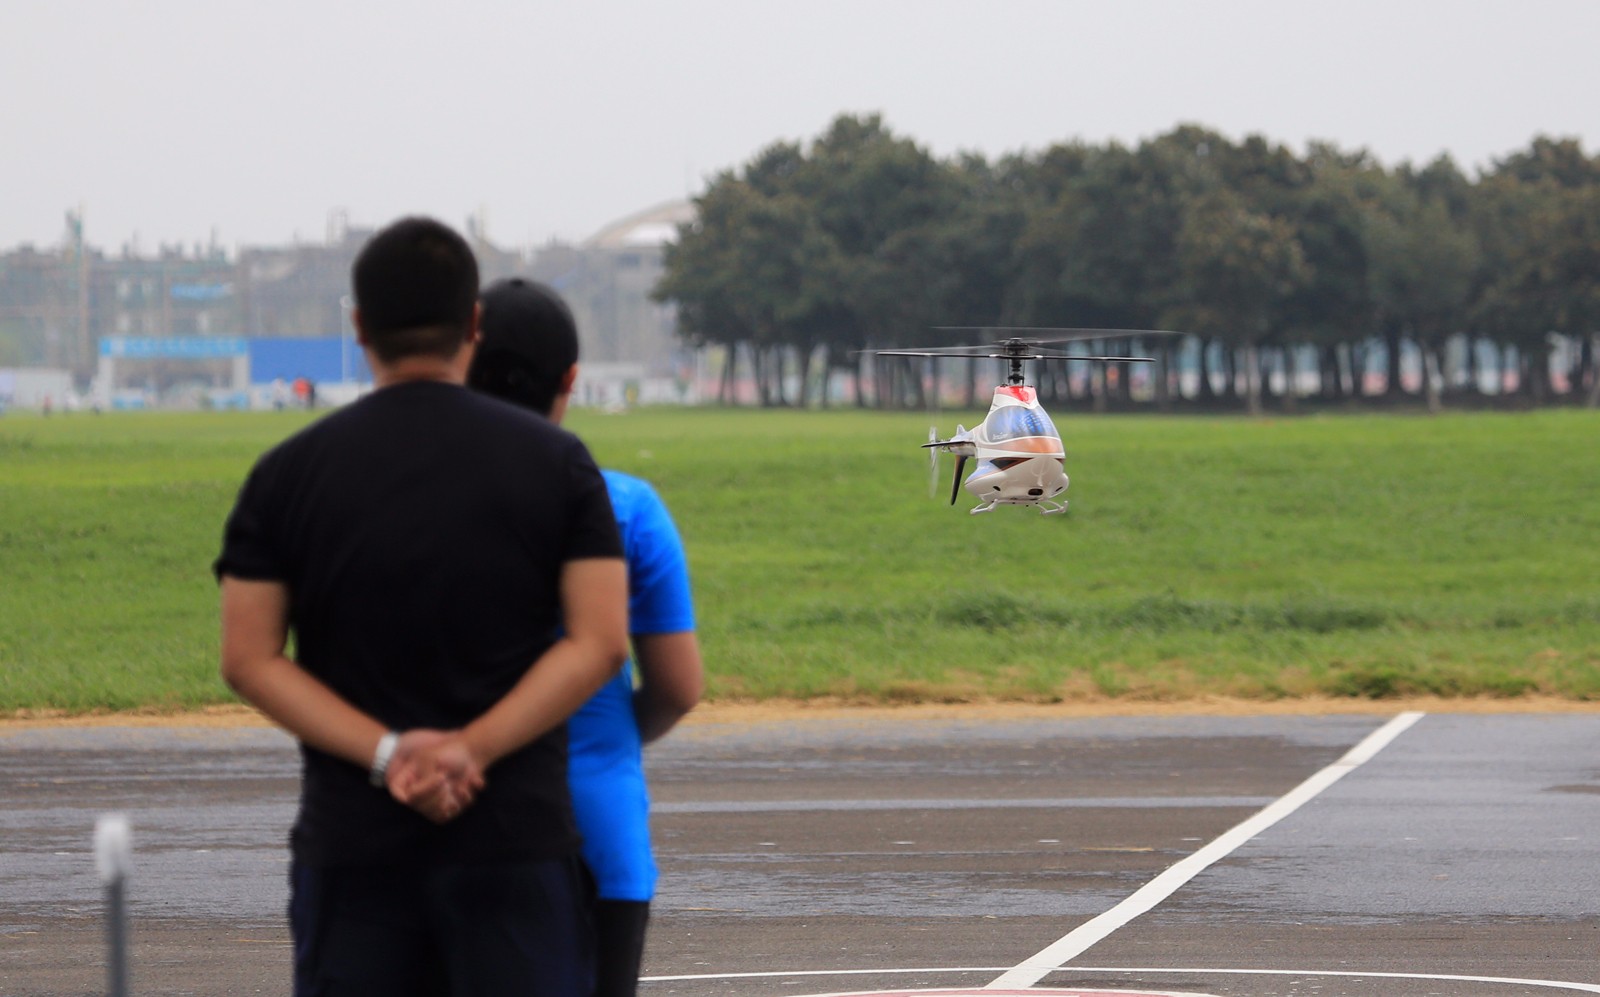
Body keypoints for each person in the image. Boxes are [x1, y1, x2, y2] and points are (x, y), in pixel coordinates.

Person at [214, 218, 629, 997]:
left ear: (359, 325)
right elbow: (601, 641)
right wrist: (471, 748)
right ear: (472, 322)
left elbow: (249, 657)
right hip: (515, 846)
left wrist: (387, 754)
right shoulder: (560, 465)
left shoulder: (285, 474)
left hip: (356, 850)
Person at [469, 278, 704, 997]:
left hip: (461, 828)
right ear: (571, 379)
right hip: (600, 833)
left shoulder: (424, 502)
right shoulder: (627, 505)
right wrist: (606, 736)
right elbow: (677, 687)